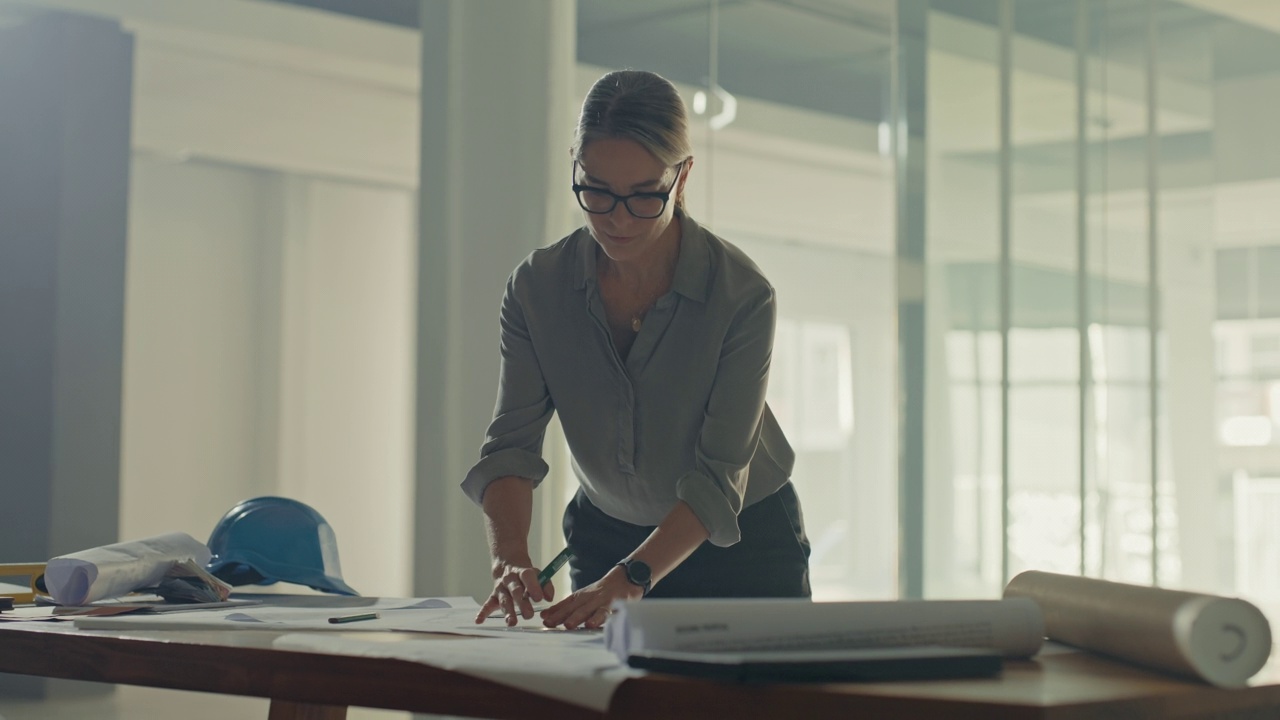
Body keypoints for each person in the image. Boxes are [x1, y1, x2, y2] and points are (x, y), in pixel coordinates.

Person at [462, 69, 810, 631]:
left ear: (682, 176)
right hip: (606, 539)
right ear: (575, 163)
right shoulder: (537, 288)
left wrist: (635, 577)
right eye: (596, 190)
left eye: (644, 195)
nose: (616, 218)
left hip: (740, 546)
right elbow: (510, 448)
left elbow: (718, 480)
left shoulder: (741, 296)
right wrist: (510, 557)